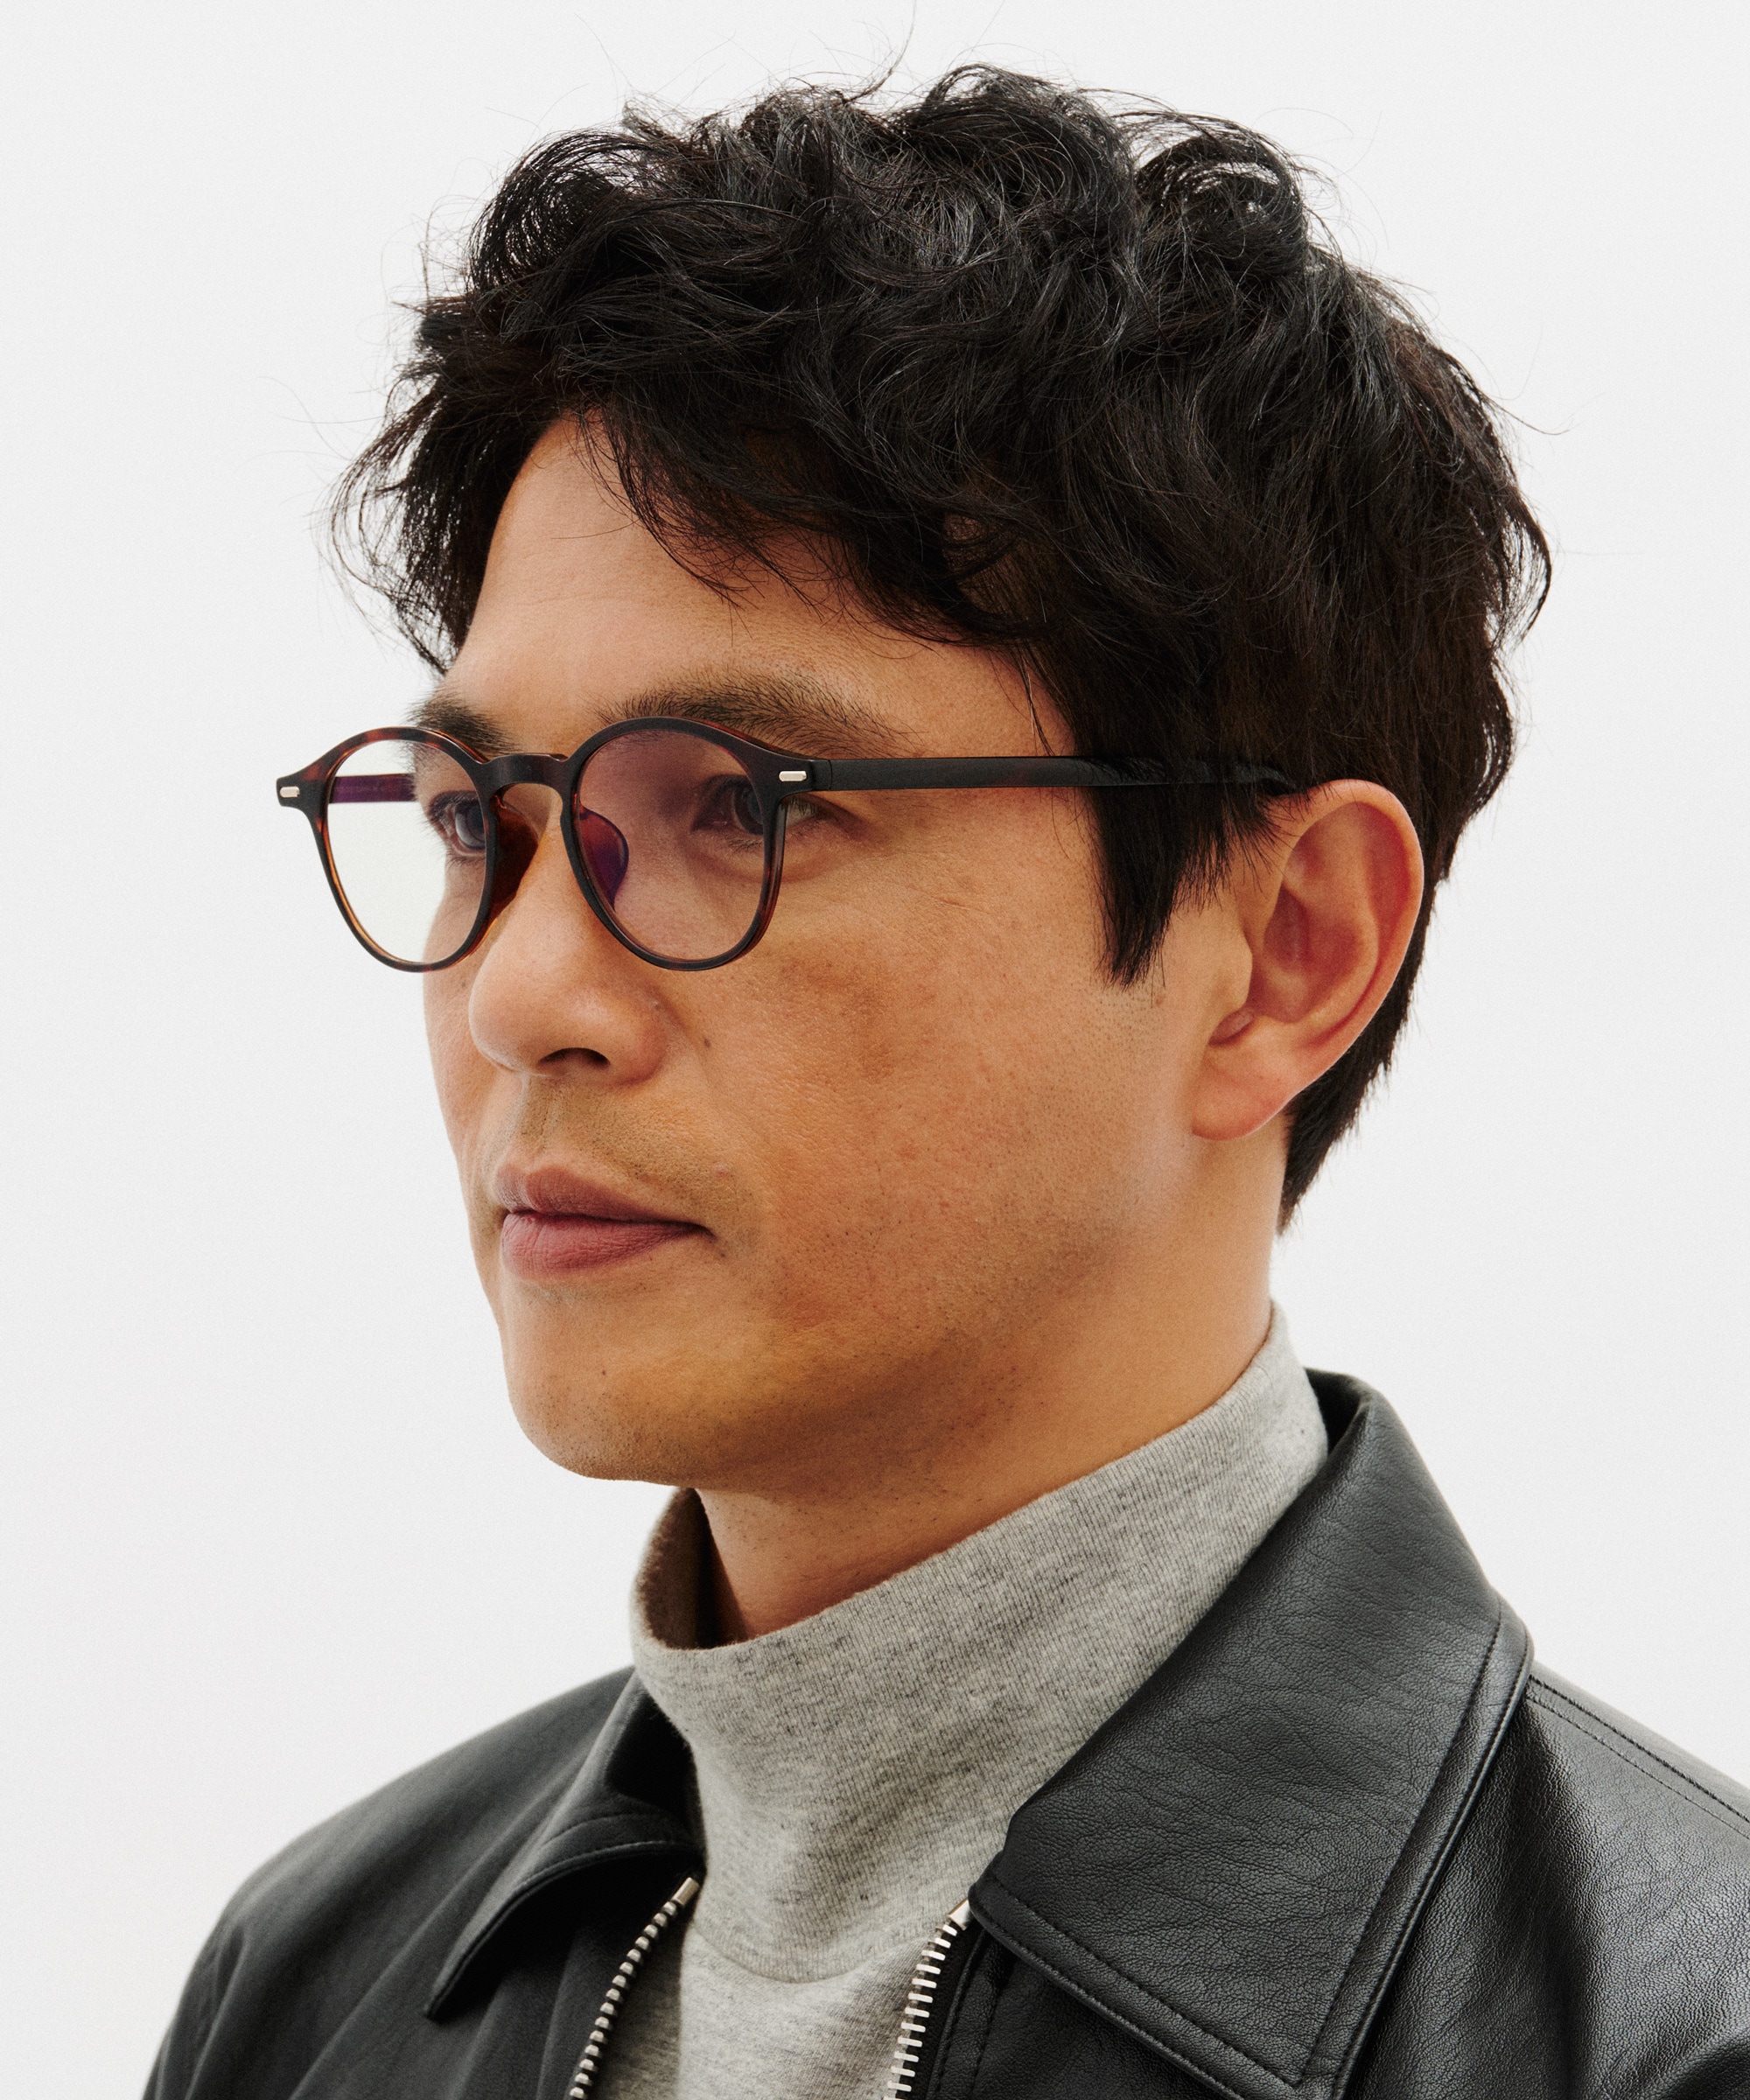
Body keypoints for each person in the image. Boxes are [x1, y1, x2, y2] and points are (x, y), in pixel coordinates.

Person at [149, 67, 1749, 2100]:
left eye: (734, 807)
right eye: (482, 820)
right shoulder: (320, 1989)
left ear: (1285, 950)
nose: (521, 994)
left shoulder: (1663, 2045)